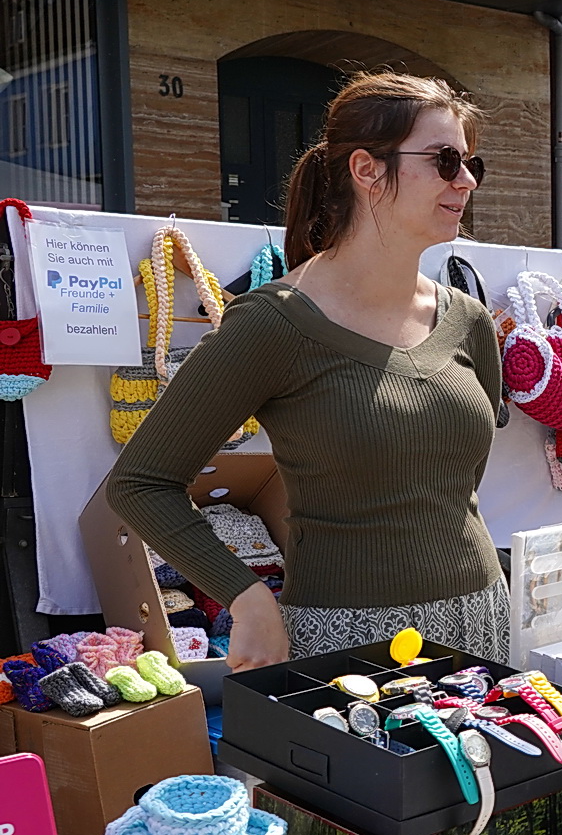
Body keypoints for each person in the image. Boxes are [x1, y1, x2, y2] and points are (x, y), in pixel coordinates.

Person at [109, 72, 505, 670]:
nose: (466, 180)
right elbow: (139, 483)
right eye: (445, 160)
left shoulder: (467, 319)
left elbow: (457, 483)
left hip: (482, 620)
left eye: (471, 162)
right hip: (347, 643)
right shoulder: (276, 323)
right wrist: (248, 599)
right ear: (366, 170)